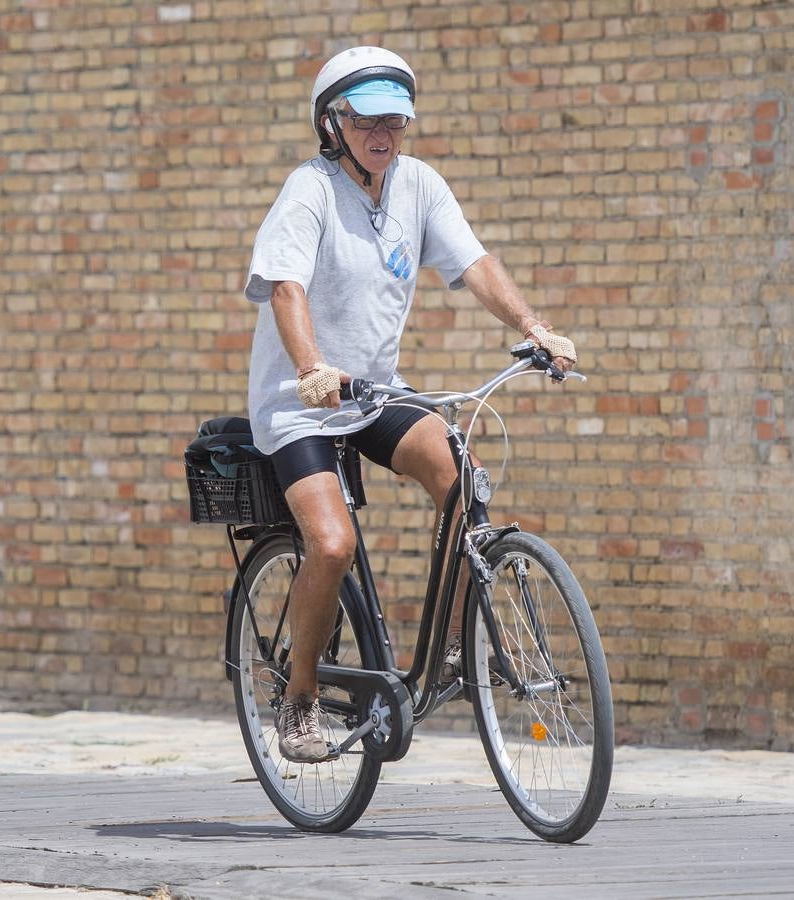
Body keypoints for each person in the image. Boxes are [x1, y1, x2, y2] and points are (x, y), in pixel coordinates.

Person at [243, 46, 577, 764]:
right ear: (332, 125)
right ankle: (299, 699)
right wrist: (310, 368)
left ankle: (456, 646)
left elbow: (475, 264)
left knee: (462, 477)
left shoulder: (418, 186)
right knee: (332, 544)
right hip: (301, 406)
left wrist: (533, 327)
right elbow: (285, 287)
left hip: (373, 396)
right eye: (367, 121)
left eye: (394, 121)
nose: (383, 134)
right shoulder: (309, 192)